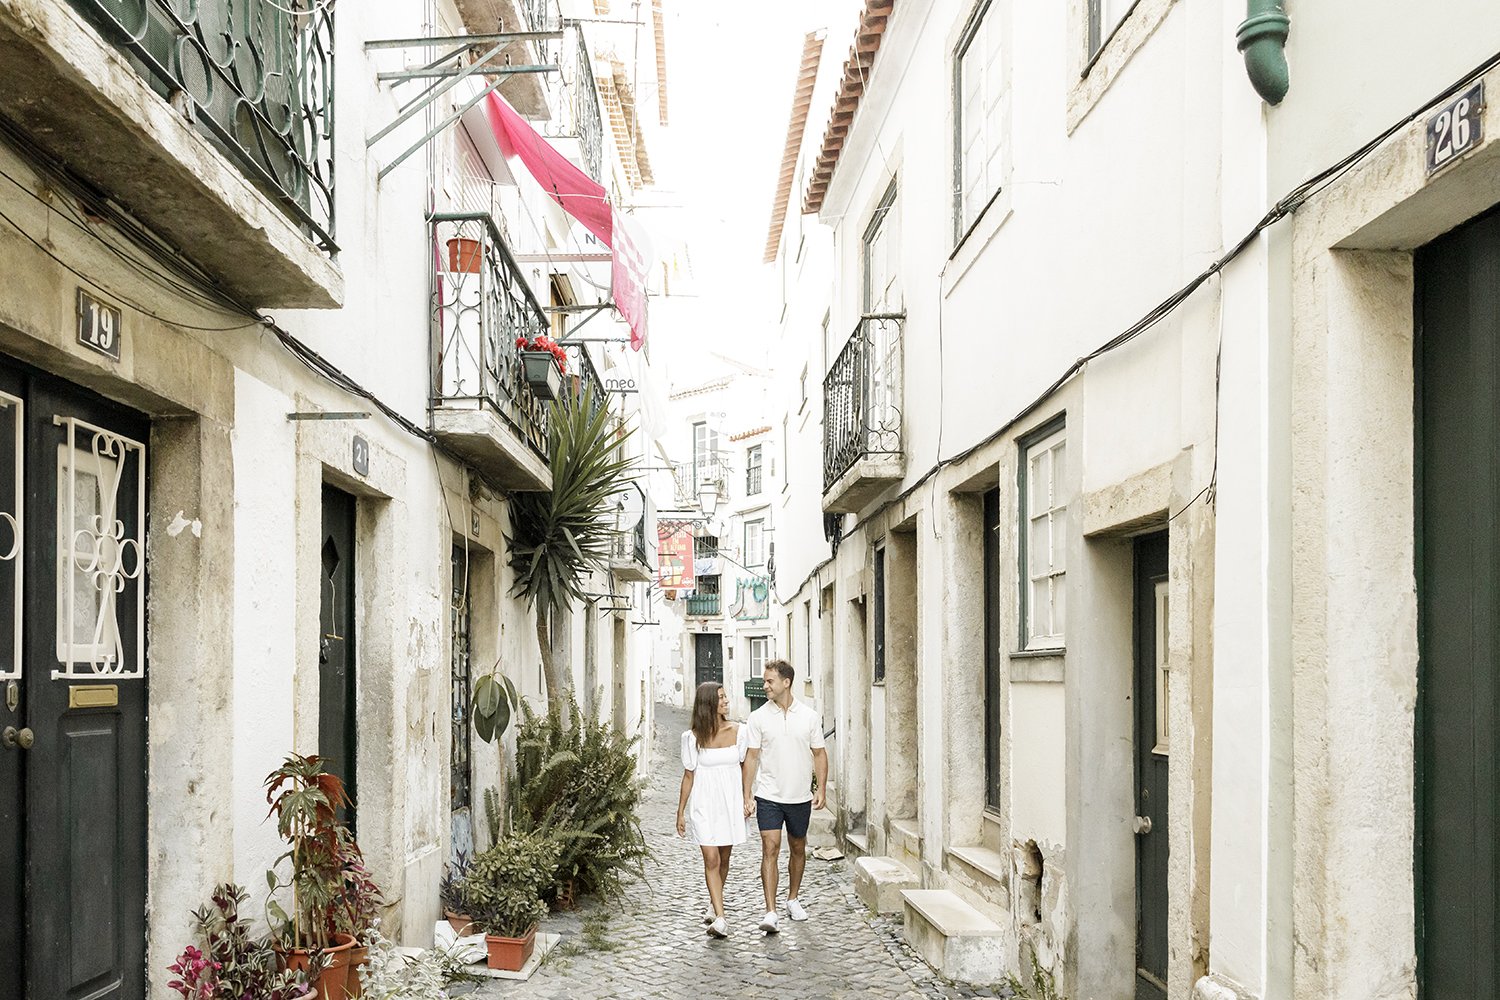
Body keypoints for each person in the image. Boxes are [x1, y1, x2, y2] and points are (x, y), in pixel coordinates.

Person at [741, 659, 827, 935]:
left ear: (786, 682)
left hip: (799, 796)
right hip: (768, 795)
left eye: (770, 681)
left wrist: (821, 788)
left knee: (798, 847)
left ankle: (792, 899)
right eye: (765, 681)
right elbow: (751, 757)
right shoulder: (758, 718)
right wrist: (747, 795)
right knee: (770, 847)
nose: (765, 685)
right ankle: (771, 911)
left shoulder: (809, 716)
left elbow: (819, 754)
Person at [676, 681, 747, 938]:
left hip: (729, 802)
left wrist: (747, 798)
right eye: (720, 697)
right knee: (712, 858)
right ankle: (720, 917)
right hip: (704, 803)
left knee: (725, 859)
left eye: (726, 696)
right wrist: (680, 811)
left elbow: (745, 768)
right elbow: (688, 776)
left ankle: (713, 902)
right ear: (708, 704)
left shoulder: (739, 731)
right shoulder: (692, 738)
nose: (726, 700)